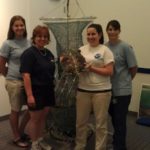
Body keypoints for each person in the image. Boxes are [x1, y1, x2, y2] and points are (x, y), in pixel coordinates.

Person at [75, 23, 114, 150]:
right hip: (83, 90)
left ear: (100, 35)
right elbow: (76, 68)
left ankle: (100, 148)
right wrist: (69, 63)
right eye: (88, 34)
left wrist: (91, 68)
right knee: (80, 123)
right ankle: (80, 146)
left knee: (100, 124)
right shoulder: (81, 50)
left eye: (93, 34)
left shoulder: (105, 50)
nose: (91, 36)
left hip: (101, 91)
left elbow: (109, 71)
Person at [20, 25, 55, 150]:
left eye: (45, 36)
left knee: (43, 116)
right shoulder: (29, 54)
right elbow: (26, 76)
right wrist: (30, 96)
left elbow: (52, 66)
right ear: (34, 38)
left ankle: (40, 139)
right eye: (39, 36)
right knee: (35, 119)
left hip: (48, 89)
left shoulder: (48, 53)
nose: (42, 39)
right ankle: (34, 144)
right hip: (35, 91)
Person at [105, 20, 138, 150]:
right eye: (109, 29)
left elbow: (133, 68)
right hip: (108, 89)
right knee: (114, 119)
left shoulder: (125, 47)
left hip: (123, 91)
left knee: (120, 121)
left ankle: (119, 147)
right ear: (106, 31)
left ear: (119, 31)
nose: (112, 32)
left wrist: (126, 81)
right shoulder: (104, 47)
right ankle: (116, 142)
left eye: (114, 29)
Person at [0, 15, 31, 148]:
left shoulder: (29, 41)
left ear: (24, 26)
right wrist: (8, 75)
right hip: (14, 82)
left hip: (28, 80)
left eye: (21, 25)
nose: (19, 28)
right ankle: (16, 137)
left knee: (32, 108)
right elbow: (1, 64)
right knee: (16, 110)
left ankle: (21, 130)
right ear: (12, 28)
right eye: (16, 25)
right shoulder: (8, 43)